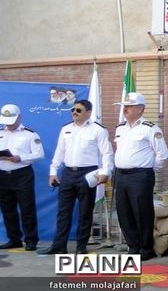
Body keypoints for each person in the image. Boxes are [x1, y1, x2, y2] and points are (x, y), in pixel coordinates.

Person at [38, 100, 113, 255]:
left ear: (88, 113)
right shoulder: (66, 129)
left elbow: (107, 153)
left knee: (85, 211)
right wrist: (53, 171)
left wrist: (105, 172)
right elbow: (60, 152)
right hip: (68, 173)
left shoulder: (98, 130)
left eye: (78, 110)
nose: (74, 112)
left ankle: (81, 246)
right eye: (73, 109)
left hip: (88, 173)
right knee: (63, 211)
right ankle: (59, 245)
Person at [113, 93, 168, 261]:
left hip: (140, 175)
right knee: (124, 212)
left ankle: (145, 249)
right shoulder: (120, 127)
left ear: (140, 109)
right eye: (124, 106)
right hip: (121, 175)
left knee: (142, 212)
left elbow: (162, 154)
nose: (125, 109)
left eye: (128, 107)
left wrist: (147, 170)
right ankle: (133, 246)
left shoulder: (150, 128)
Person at [0, 104, 44, 251]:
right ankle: (14, 239)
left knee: (27, 209)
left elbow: (39, 154)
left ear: (19, 117)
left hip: (22, 174)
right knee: (8, 209)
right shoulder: (1, 132)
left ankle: (31, 240)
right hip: (3, 175)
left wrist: (20, 157)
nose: (9, 123)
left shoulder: (30, 134)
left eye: (12, 119)